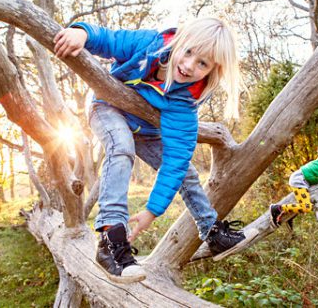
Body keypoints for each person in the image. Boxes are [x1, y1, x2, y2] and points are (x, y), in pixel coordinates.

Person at [54, 17, 247, 283]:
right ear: (180, 41)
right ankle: (111, 240)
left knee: (187, 173)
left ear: (213, 70)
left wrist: (152, 211)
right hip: (106, 109)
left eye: (202, 63)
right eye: (188, 52)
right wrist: (81, 34)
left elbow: (175, 163)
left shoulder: (185, 103)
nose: (189, 65)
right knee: (121, 147)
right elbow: (109, 39)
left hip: (145, 132)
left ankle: (211, 230)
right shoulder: (148, 45)